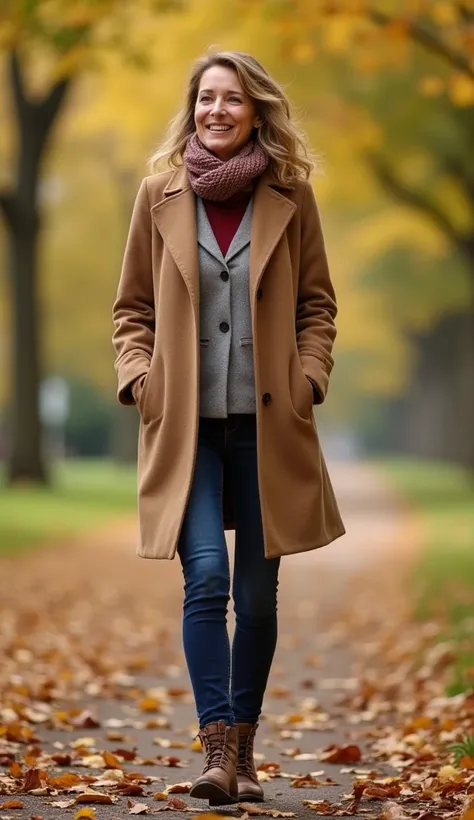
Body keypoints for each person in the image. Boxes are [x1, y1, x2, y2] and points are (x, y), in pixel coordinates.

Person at [112, 50, 345, 807]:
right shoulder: (157, 196)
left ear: (256, 111)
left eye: (232, 100)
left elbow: (318, 306)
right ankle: (216, 748)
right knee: (206, 575)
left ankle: (245, 747)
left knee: (260, 595)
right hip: (185, 428)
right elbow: (131, 311)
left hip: (267, 425)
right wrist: (140, 379)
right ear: (193, 107)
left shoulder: (290, 196)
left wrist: (309, 375)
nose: (217, 110)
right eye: (206, 98)